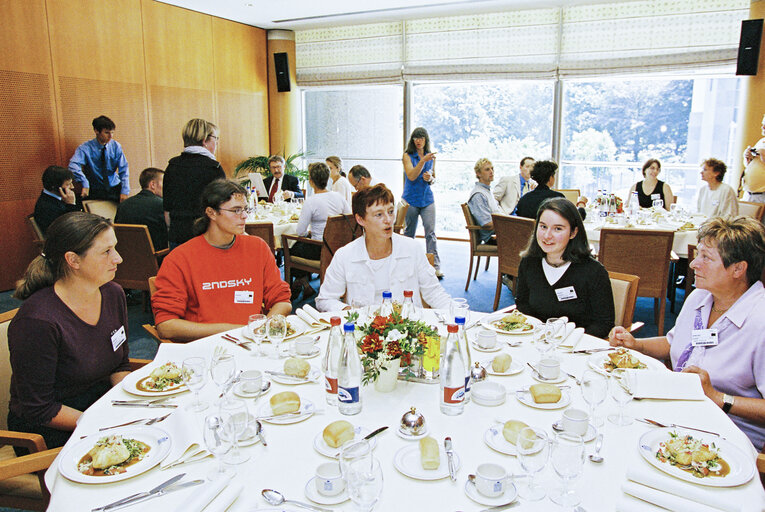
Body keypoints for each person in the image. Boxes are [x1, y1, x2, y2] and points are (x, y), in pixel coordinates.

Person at [609, 216, 765, 450]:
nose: (692, 264)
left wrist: (719, 397)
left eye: (706, 258)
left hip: (728, 437)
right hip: (679, 415)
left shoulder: (759, 321)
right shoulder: (700, 298)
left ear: (738, 269)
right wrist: (636, 345)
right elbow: (675, 343)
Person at [8, 212, 130, 450]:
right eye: (106, 252)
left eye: (115, 248)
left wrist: (132, 402)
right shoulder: (38, 321)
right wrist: (101, 423)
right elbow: (39, 409)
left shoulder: (113, 294)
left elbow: (119, 364)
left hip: (100, 409)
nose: (118, 258)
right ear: (73, 260)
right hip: (50, 433)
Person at [152, 179, 291, 342]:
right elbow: (166, 325)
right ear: (211, 213)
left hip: (252, 343)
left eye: (245, 209)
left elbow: (282, 301)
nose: (245, 216)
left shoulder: (257, 248)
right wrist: (235, 331)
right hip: (206, 348)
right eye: (236, 210)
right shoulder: (180, 258)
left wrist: (261, 329)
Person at [316, 184, 451, 312]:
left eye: (391, 211)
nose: (388, 220)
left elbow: (435, 293)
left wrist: (461, 315)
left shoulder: (412, 248)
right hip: (364, 331)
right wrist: (349, 311)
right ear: (360, 219)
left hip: (408, 329)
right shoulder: (345, 255)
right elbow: (325, 299)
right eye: (379, 214)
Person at [515, 197, 614, 338]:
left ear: (573, 233)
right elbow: (523, 305)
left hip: (576, 347)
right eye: (543, 226)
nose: (547, 235)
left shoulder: (593, 272)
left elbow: (604, 324)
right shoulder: (529, 263)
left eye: (558, 229)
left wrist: (565, 340)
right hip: (536, 341)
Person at [290, 162, 351, 300]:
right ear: (328, 178)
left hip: (320, 249)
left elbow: (300, 232)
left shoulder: (311, 201)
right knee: (300, 246)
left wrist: (311, 233)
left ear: (311, 181)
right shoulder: (339, 197)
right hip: (339, 247)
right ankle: (305, 285)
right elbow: (349, 220)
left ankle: (302, 283)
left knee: (293, 248)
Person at [163, 118, 226, 248]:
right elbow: (223, 209)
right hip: (206, 237)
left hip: (177, 235)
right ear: (205, 140)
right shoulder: (213, 168)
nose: (217, 143)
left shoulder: (172, 166)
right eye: (216, 138)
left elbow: (167, 210)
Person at [402, 127, 442, 278]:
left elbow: (434, 177)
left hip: (427, 199)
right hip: (411, 199)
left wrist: (430, 178)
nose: (418, 141)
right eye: (416, 138)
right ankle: (405, 265)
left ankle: (435, 266)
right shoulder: (407, 156)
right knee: (409, 234)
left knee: (430, 233)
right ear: (413, 140)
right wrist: (422, 161)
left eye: (421, 138)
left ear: (426, 140)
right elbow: (411, 176)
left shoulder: (431, 156)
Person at [68, 115, 129, 203]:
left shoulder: (116, 146)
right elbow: (73, 165)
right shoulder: (85, 148)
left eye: (112, 132)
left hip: (115, 187)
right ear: (96, 131)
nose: (110, 136)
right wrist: (84, 182)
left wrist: (125, 190)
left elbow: (124, 168)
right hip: (95, 190)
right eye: (107, 133)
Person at [115, 167, 168, 250]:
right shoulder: (162, 205)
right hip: (157, 256)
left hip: (127, 256)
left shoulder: (123, 205)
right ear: (153, 184)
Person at [515, 160, 587, 220]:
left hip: (528, 236)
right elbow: (576, 219)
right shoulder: (557, 198)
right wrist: (581, 204)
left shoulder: (524, 198)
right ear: (550, 178)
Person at [33, 165, 82, 235]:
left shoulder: (60, 199)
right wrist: (71, 205)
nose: (72, 187)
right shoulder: (46, 206)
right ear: (54, 186)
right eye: (68, 184)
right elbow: (72, 229)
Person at [467, 158, 502, 244]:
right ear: (478, 174)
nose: (491, 172)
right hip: (492, 237)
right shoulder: (478, 195)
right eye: (487, 169)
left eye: (492, 168)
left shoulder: (486, 191)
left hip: (498, 232)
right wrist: (506, 223)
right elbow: (486, 224)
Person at [742, 113, 765, 203]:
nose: (762, 127)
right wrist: (748, 159)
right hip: (750, 193)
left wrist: (763, 155)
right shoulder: (761, 142)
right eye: (762, 124)